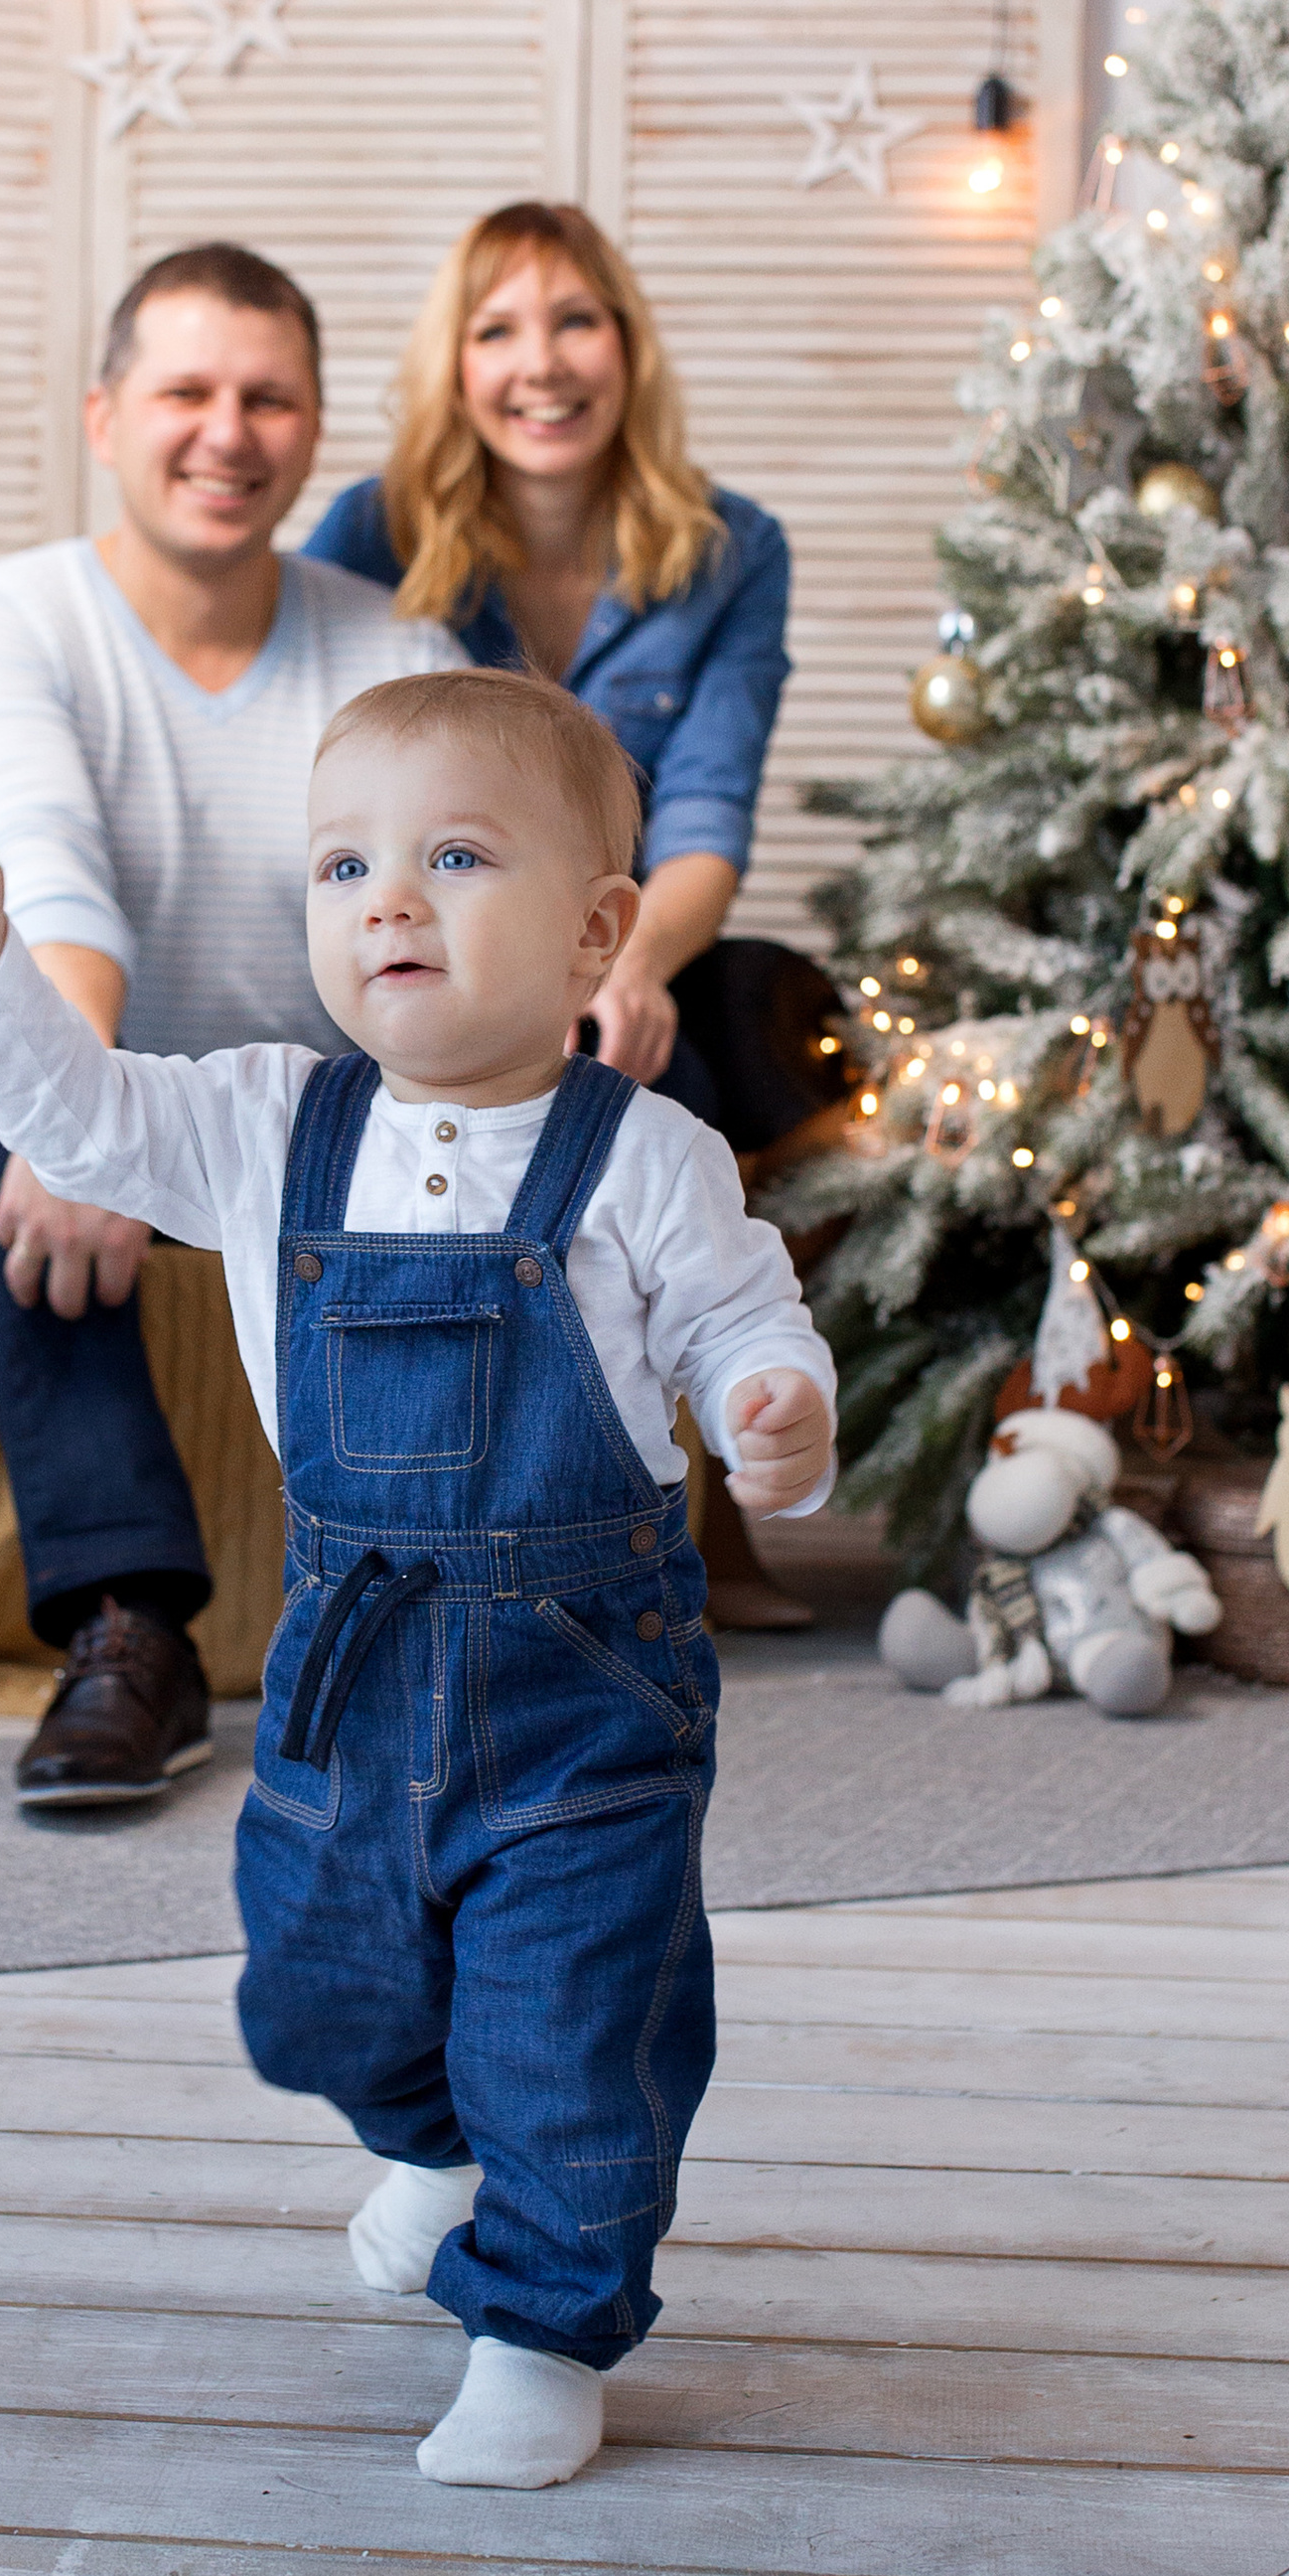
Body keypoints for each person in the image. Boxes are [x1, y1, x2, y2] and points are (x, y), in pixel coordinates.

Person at [0, 673, 837, 2491]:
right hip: (346, 1671)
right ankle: (435, 2149)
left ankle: (543, 2324)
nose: (388, 897)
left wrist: (776, 1411)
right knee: (319, 1987)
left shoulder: (648, 1158)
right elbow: (73, 1125)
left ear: (595, 931)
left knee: (568, 2020)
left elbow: (741, 1321)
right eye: (343, 865)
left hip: (580, 1702)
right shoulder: (258, 1123)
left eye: (454, 856)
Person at [0, 242, 464, 1809]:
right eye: (187, 392)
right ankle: (127, 1628)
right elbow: (41, 886)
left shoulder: (399, 651)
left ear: (311, 429)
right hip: (109, 1060)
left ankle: (440, 1611)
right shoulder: (5, 618)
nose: (229, 430)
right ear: (105, 417)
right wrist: (76, 1113)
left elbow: (436, 933)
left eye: (269, 397)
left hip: (325, 1094)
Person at [306, 202, 842, 1629]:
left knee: (737, 1042)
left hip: (625, 930)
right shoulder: (374, 532)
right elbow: (335, 792)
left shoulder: (732, 549)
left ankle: (704, 1489)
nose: (540, 364)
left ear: (627, 346)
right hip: (438, 956)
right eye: (497, 331)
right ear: (457, 367)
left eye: (574, 321)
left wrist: (632, 966)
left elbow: (711, 817)